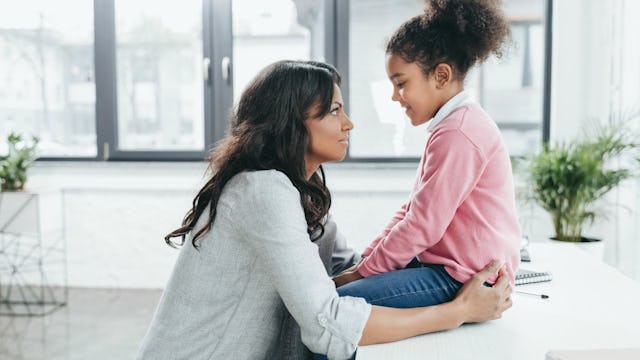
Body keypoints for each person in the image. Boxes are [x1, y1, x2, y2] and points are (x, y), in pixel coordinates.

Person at [136, 60, 512, 360]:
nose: (348, 123)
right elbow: (327, 324)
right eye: (334, 111)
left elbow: (347, 268)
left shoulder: (299, 194)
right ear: (291, 123)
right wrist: (459, 310)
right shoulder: (262, 191)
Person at [333, 0, 522, 310]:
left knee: (337, 307)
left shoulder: (459, 133)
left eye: (401, 84)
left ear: (441, 76)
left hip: (464, 278)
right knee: (345, 289)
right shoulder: (453, 125)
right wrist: (367, 258)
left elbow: (422, 225)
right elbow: (412, 210)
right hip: (448, 268)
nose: (395, 97)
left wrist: (361, 273)